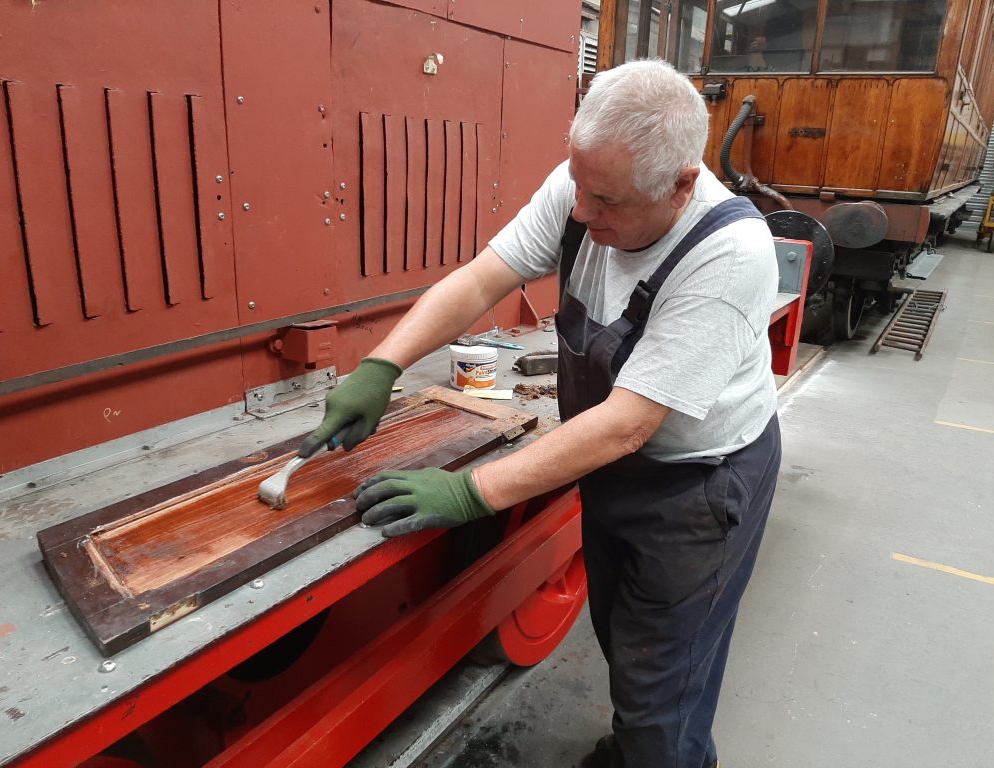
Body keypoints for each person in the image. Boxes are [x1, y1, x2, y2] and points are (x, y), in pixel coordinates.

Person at [298, 59, 782, 768]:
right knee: (627, 645)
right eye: (579, 187)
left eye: (606, 201)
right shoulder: (588, 184)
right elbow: (482, 279)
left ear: (681, 183)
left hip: (699, 491)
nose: (581, 213)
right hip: (617, 471)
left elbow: (627, 423)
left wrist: (471, 492)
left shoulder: (729, 255)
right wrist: (381, 366)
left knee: (663, 687)